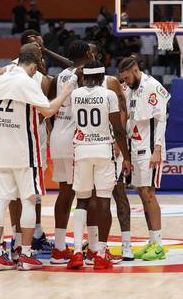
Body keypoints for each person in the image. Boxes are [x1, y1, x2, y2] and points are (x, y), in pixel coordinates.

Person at [0, 44, 73, 271]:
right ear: (33, 65)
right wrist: (65, 92)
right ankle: (25, 254)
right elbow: (48, 111)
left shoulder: (1, 77)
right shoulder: (27, 82)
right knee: (28, 200)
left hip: (1, 151)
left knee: (1, 200)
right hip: (25, 153)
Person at [66, 61, 132, 269]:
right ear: (102, 76)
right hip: (103, 150)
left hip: (81, 149)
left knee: (82, 202)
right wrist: (127, 157)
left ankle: (78, 252)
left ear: (85, 77)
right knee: (104, 201)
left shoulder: (75, 94)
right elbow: (118, 129)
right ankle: (101, 255)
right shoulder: (109, 95)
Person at [118, 57, 172, 261]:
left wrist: (158, 148)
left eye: (127, 77)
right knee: (141, 193)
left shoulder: (152, 86)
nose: (125, 81)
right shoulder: (128, 88)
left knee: (149, 194)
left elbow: (161, 120)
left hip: (150, 148)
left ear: (135, 69)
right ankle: (151, 241)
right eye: (123, 78)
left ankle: (158, 245)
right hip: (134, 146)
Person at [84, 42, 133, 261]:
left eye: (90, 50)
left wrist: (117, 142)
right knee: (92, 199)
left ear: (97, 55)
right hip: (90, 147)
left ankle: (126, 244)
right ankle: (94, 246)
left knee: (119, 195)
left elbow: (123, 112)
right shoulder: (80, 82)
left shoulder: (111, 81)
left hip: (112, 145)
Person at [49, 40, 91, 265]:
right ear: (86, 53)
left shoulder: (60, 76)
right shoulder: (84, 74)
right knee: (86, 195)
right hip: (76, 138)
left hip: (58, 135)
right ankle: (85, 247)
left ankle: (58, 246)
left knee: (64, 194)